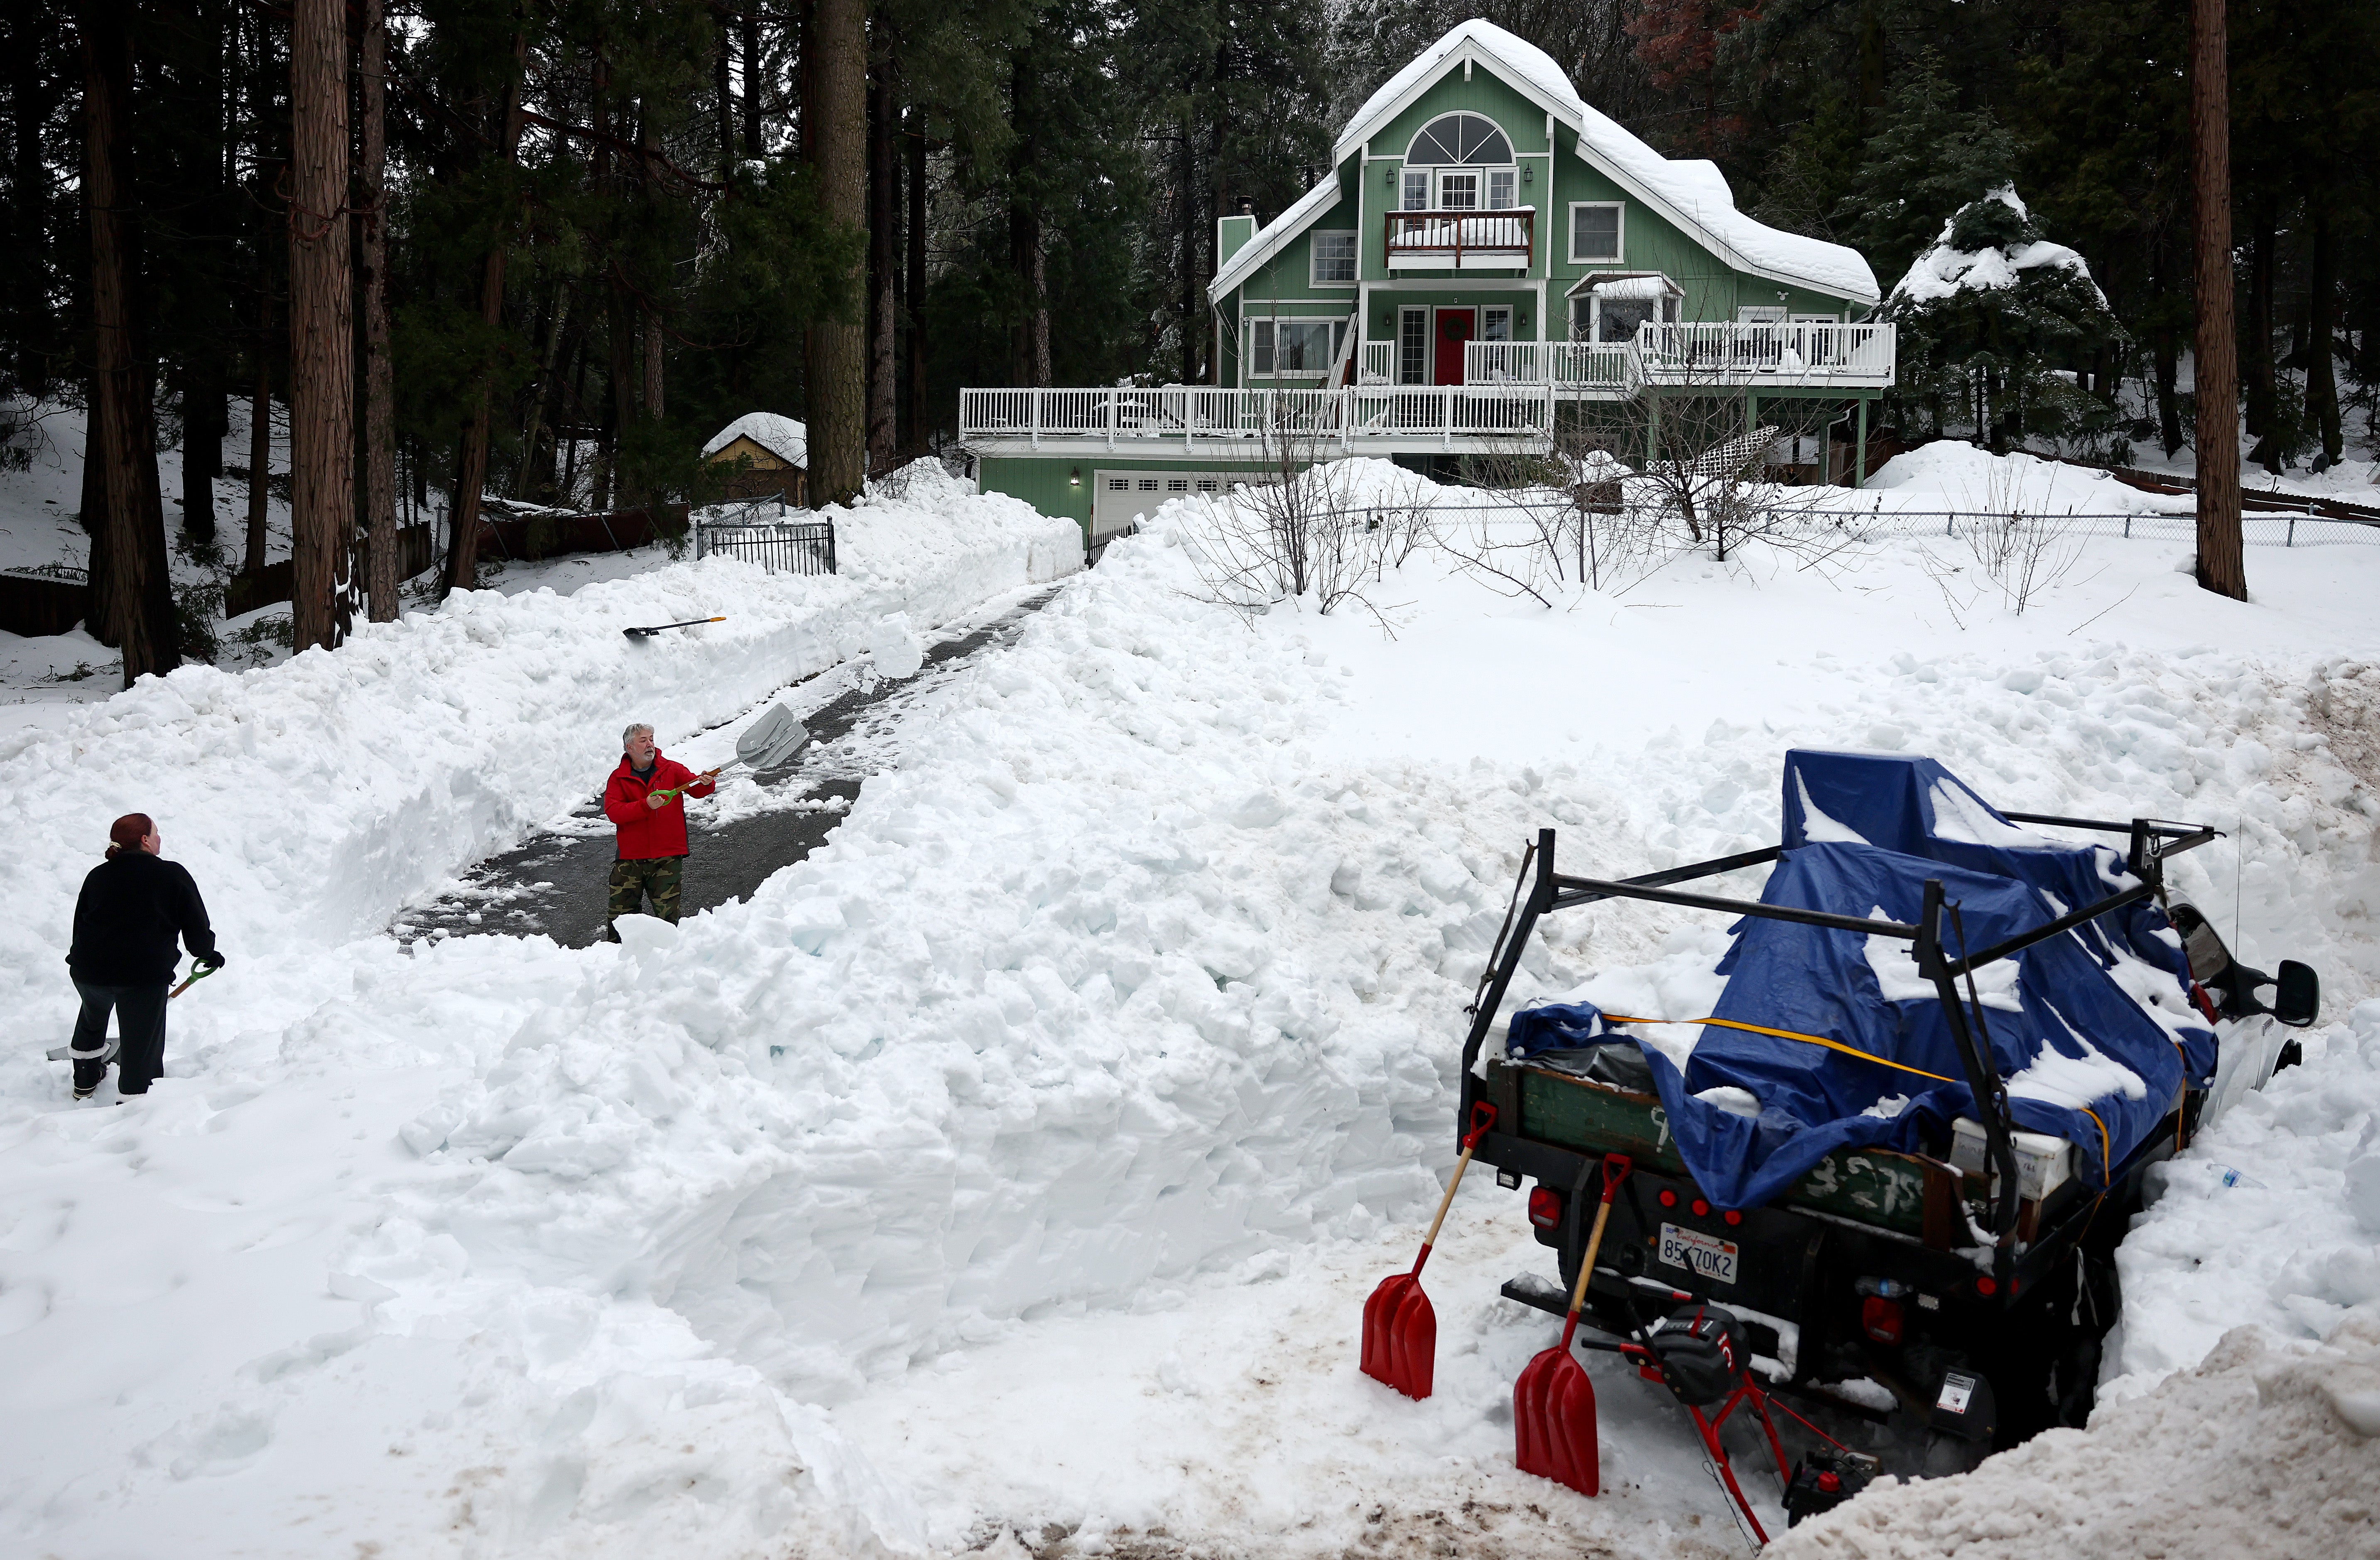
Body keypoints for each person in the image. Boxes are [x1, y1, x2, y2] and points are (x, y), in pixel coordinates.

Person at [66, 813, 222, 1101]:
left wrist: (81, 962)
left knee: (92, 1018)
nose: (160, 838)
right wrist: (207, 953)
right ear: (145, 840)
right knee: (141, 1040)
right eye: (156, 833)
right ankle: (134, 1101)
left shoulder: (98, 875)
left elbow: (81, 924)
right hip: (142, 977)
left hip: (90, 972)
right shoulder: (172, 874)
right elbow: (195, 924)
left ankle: (84, 1080)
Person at [601, 722, 717, 941]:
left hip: (667, 857)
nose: (650, 745)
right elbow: (614, 812)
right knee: (621, 919)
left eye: (652, 739)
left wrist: (706, 783)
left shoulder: (671, 769)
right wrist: (645, 806)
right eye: (643, 741)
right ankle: (615, 960)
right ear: (629, 747)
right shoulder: (618, 778)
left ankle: (666, 960)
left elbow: (697, 789)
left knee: (668, 918)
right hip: (630, 860)